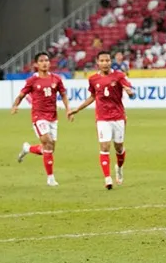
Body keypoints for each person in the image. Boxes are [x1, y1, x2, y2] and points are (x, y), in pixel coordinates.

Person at [67, 51, 135, 190]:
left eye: (107, 60)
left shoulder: (119, 75)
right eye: (102, 61)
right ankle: (107, 178)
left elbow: (129, 88)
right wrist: (77, 109)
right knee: (104, 147)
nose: (105, 63)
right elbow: (92, 96)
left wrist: (130, 92)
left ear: (111, 62)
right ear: (97, 63)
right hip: (102, 118)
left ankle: (119, 168)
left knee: (119, 148)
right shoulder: (93, 79)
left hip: (118, 117)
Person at [13, 52, 71, 186]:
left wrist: (68, 109)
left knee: (49, 148)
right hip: (39, 116)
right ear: (36, 64)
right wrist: (15, 105)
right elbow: (21, 95)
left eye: (46, 60)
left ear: (50, 63)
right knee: (48, 141)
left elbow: (63, 94)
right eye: (41, 61)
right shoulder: (32, 80)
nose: (44, 63)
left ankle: (28, 148)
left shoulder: (56, 79)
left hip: (53, 117)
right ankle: (50, 178)